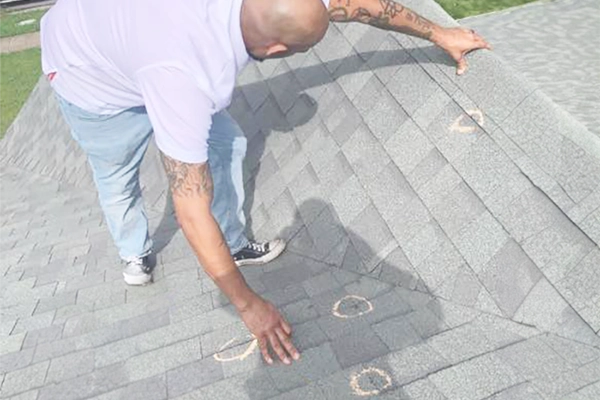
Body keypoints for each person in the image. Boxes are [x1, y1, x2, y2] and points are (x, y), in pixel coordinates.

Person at [40, 0, 490, 366]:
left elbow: (356, 5)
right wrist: (249, 306)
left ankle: (234, 241)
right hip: (86, 72)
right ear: (277, 51)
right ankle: (134, 252)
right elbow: (190, 207)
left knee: (229, 142)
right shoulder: (188, 81)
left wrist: (438, 32)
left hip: (141, 42)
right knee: (118, 176)